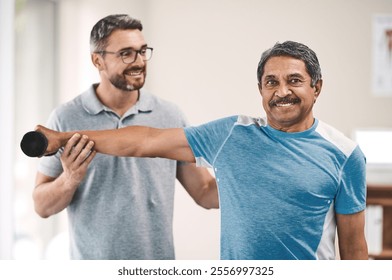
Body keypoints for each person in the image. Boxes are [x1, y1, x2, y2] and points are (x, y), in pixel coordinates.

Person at [33, 41, 368, 260]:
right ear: (260, 89)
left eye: (294, 81)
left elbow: (353, 248)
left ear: (316, 87)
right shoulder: (232, 133)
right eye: (271, 82)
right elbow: (145, 140)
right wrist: (61, 138)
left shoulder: (345, 154)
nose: (282, 92)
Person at [32, 14, 218, 260]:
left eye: (142, 51)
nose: (139, 61)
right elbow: (41, 206)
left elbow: (204, 191)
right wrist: (69, 179)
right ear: (97, 60)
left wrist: (259, 181)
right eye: (126, 53)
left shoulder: (169, 115)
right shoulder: (66, 118)